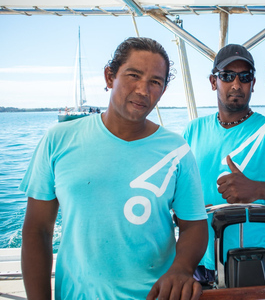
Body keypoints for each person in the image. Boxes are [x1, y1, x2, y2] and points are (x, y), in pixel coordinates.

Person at [20, 37, 208, 300]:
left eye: (155, 82)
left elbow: (194, 225)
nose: (143, 90)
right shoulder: (58, 139)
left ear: (163, 91)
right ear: (110, 77)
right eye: (134, 75)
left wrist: (181, 269)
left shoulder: (177, 151)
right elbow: (37, 230)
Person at [183, 44, 265, 283]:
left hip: (248, 260)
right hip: (196, 257)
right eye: (227, 76)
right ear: (213, 82)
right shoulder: (193, 130)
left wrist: (256, 189)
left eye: (245, 77)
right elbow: (176, 188)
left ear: (253, 83)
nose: (236, 84)